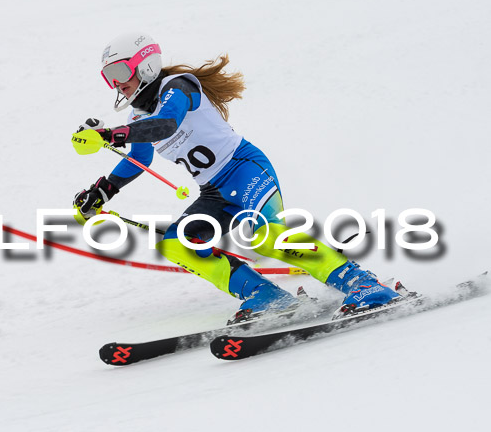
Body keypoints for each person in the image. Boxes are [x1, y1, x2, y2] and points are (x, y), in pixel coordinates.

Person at [73, 31, 402, 323]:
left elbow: (168, 124)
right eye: (108, 76)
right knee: (177, 245)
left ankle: (365, 286)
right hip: (215, 191)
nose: (116, 82)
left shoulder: (179, 86)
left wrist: (111, 134)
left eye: (119, 71)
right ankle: (267, 298)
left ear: (145, 65)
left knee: (269, 236)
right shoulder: (139, 115)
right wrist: (102, 192)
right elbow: (139, 157)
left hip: (244, 168)